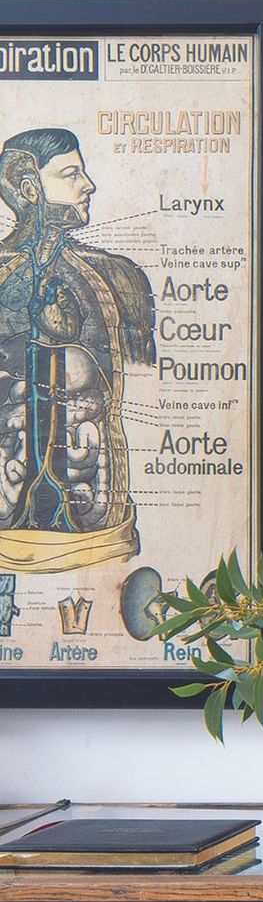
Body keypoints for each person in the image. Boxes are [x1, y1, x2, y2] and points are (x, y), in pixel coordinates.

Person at [0, 125, 155, 572]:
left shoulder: (119, 279)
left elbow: (141, 385)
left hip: (99, 536)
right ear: (28, 186)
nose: (89, 185)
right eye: (71, 174)